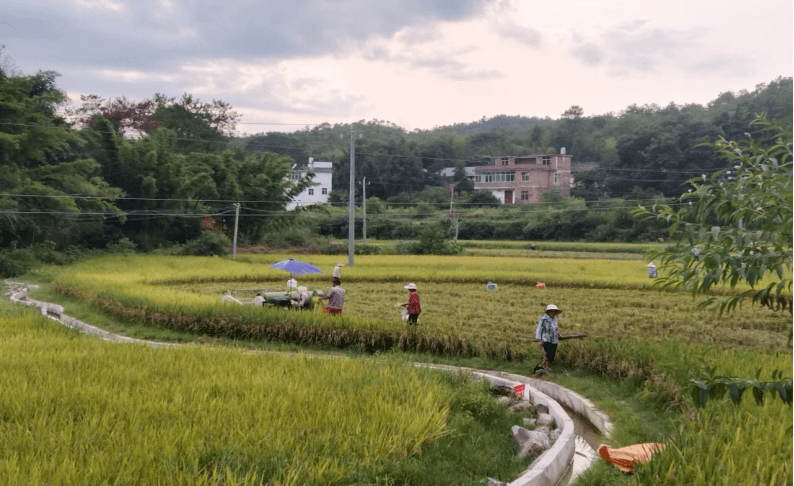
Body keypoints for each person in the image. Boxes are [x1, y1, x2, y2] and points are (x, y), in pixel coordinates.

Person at [534, 304, 561, 373]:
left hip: (554, 339)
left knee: (552, 356)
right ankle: (541, 366)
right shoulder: (543, 319)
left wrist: (558, 333)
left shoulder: (554, 319)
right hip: (546, 339)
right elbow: (539, 329)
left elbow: (555, 327)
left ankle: (546, 368)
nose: (553, 313)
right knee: (548, 354)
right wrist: (539, 339)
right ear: (548, 312)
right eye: (551, 311)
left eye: (554, 311)